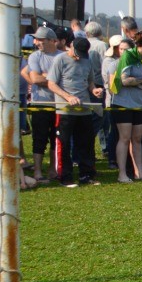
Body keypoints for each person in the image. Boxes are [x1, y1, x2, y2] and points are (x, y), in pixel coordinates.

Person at [45, 36, 104, 187]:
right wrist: (67, 97)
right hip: (65, 111)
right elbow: (51, 83)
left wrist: (94, 90)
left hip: (84, 109)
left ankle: (87, 175)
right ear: (71, 46)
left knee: (86, 143)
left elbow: (89, 82)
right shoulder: (60, 60)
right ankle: (65, 177)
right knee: (64, 144)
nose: (79, 57)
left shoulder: (87, 61)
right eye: (77, 53)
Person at [22, 26, 64, 183]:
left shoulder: (62, 56)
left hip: (58, 103)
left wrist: (45, 77)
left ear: (52, 41)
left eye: (40, 39)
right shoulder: (34, 56)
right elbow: (35, 79)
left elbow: (64, 80)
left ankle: (54, 169)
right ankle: (38, 171)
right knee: (39, 138)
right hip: (40, 103)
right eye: (36, 39)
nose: (36, 42)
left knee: (56, 137)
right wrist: (53, 80)